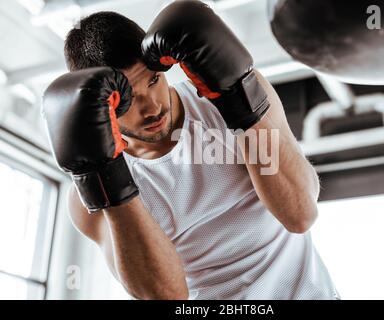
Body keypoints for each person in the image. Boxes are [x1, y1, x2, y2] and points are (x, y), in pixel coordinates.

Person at [42, 0, 338, 300]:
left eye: (154, 80)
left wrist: (240, 105)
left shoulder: (221, 99)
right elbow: (165, 297)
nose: (152, 107)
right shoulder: (87, 201)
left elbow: (300, 213)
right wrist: (107, 179)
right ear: (102, 105)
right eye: (128, 100)